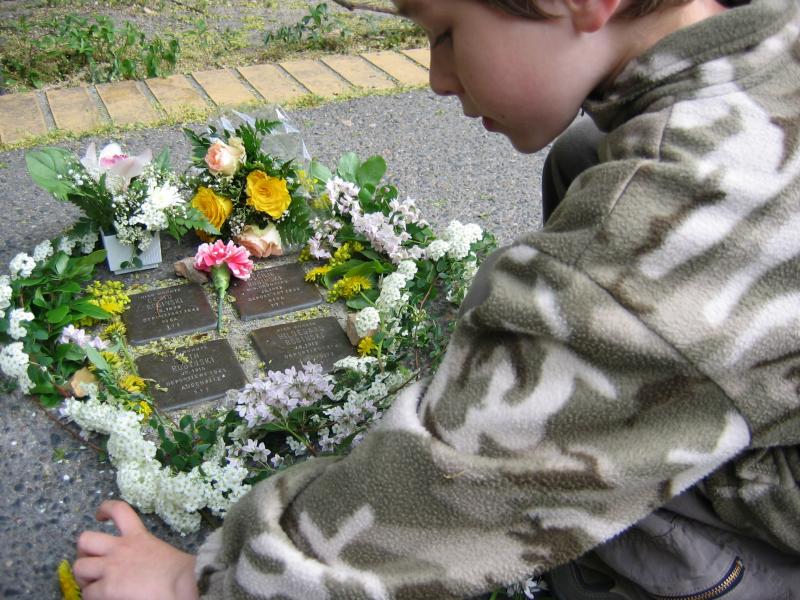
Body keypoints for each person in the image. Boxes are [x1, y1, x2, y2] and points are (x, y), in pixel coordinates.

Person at [72, 0, 800, 597]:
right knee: (581, 154)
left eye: (445, 32)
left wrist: (196, 584)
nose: (436, 78)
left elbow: (448, 479)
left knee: (565, 452)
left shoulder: (671, 206)